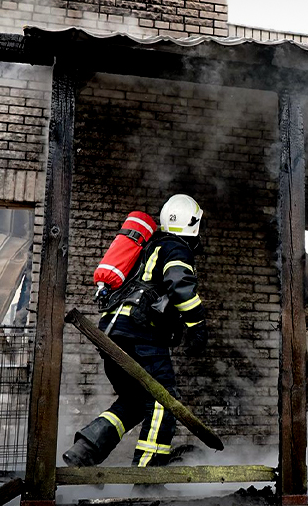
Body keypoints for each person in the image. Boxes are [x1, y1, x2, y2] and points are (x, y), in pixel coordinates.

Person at [63, 193, 209, 469]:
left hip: (113, 333)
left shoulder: (147, 247)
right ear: (193, 223)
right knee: (164, 401)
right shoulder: (175, 248)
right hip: (142, 336)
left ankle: (85, 450)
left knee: (135, 401)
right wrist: (197, 327)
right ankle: (147, 476)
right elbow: (180, 285)